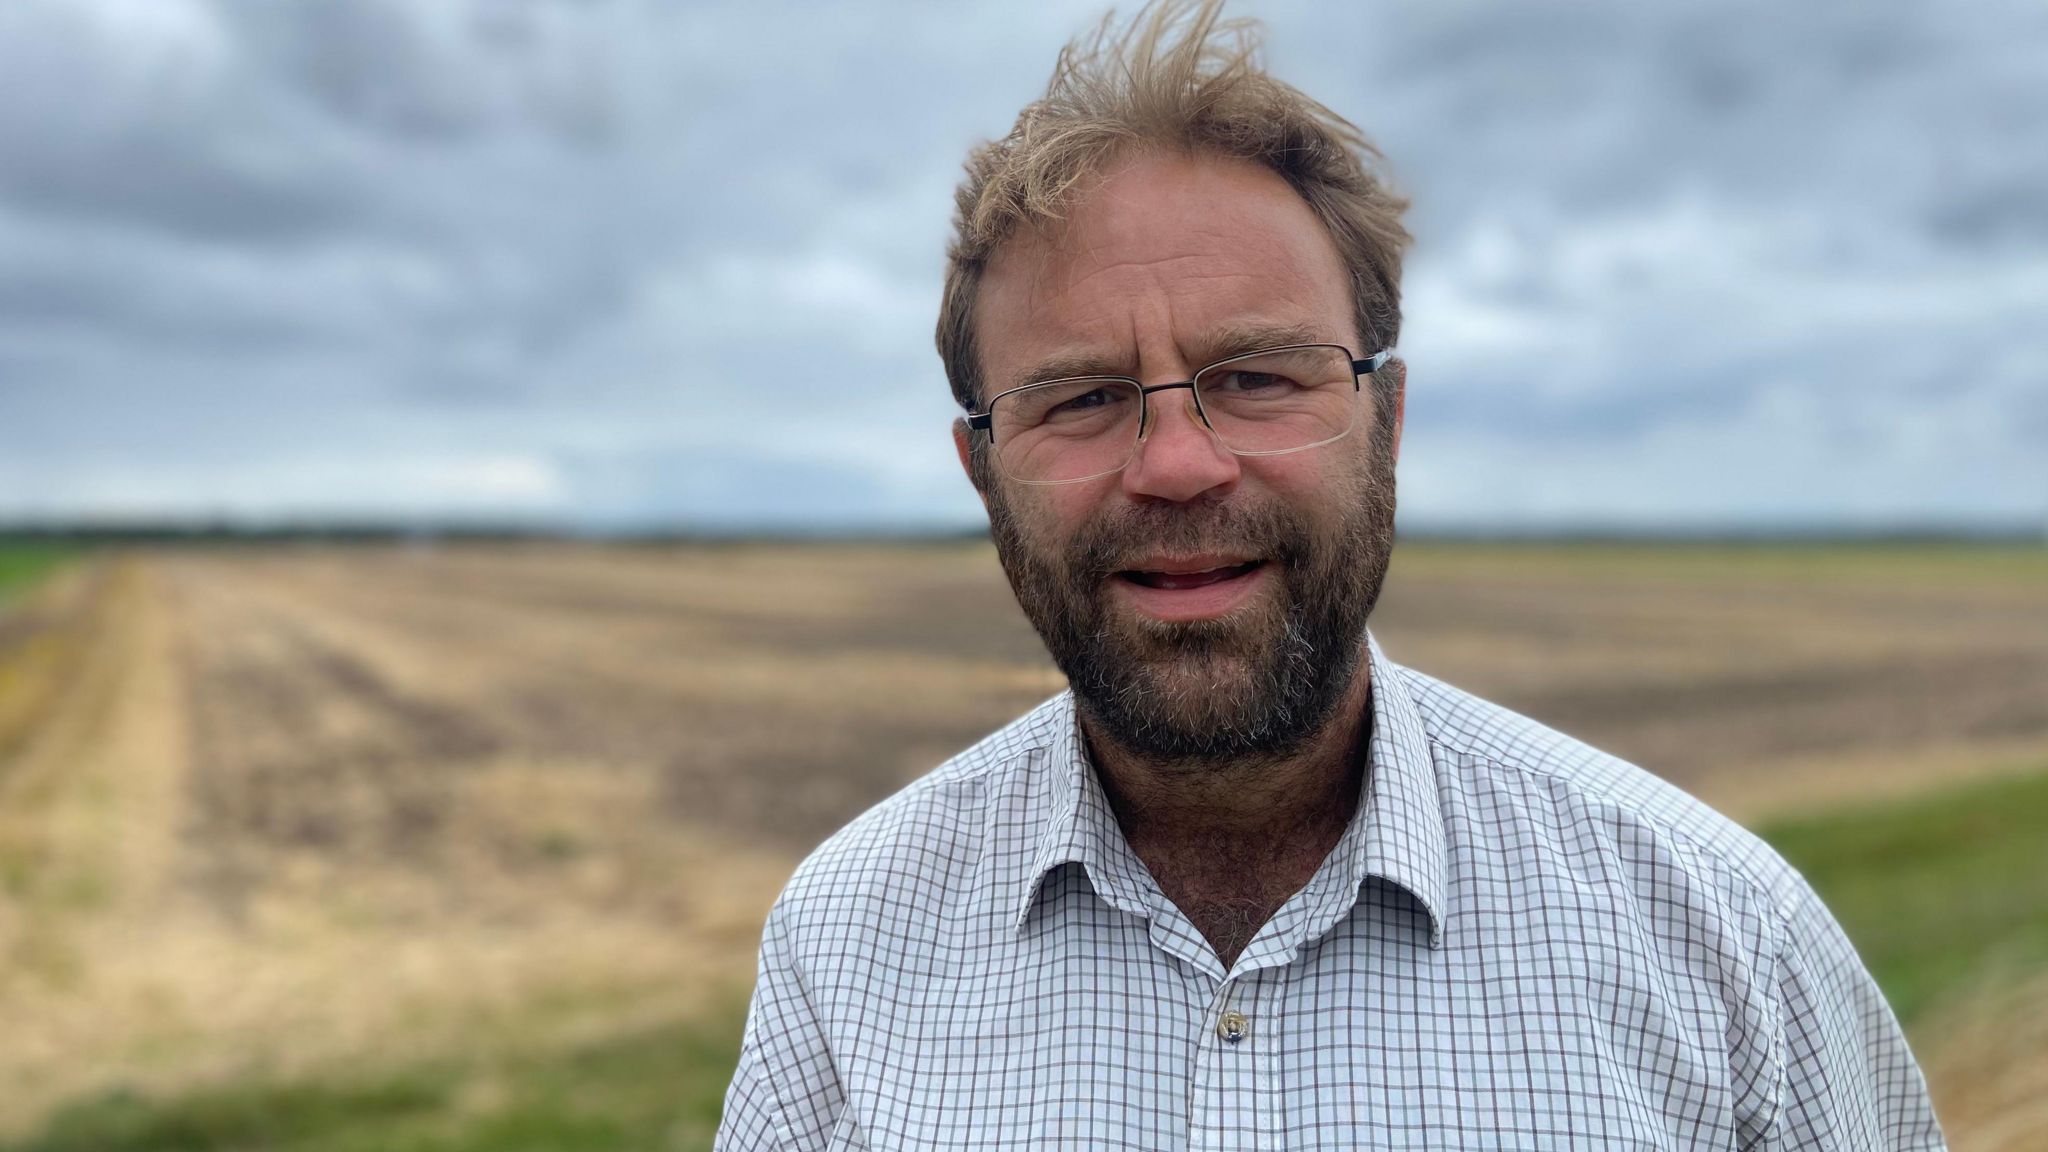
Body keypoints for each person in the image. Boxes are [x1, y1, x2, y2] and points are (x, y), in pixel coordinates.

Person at [716, 2, 1945, 1147]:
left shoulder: (1726, 940)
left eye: (1256, 376)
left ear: (1386, 419)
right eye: (1082, 398)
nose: (1179, 465)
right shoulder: (844, 945)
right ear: (984, 474)